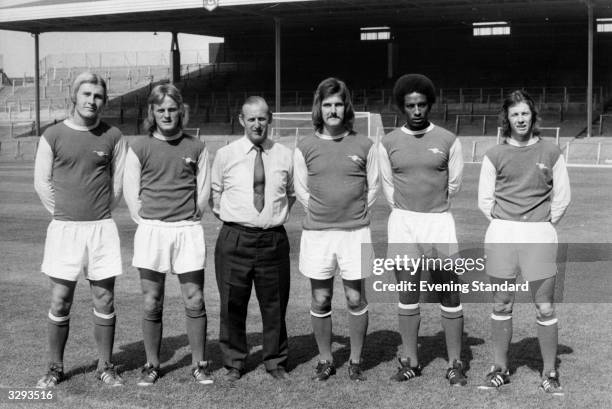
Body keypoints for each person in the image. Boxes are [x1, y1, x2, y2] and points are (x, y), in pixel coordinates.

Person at [34, 71, 127, 388]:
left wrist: (97, 214)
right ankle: (55, 367)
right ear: (74, 97)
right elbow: (42, 183)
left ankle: (105, 366)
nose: (92, 101)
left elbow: (117, 187)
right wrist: (63, 214)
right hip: (64, 229)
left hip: (101, 228)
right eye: (87, 94)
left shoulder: (114, 136)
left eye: (98, 96)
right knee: (60, 299)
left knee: (104, 299)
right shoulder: (52, 135)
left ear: (104, 100)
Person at [477, 90, 570, 395]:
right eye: (515, 114)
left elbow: (561, 199)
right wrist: (508, 223)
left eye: (525, 113)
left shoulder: (552, 152)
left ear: (533, 116)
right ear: (507, 118)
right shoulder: (494, 154)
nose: (520, 119)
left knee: (544, 307)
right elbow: (485, 201)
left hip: (539, 236)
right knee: (502, 303)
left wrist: (540, 225)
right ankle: (500, 369)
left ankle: (549, 371)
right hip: (502, 235)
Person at [378, 73, 467, 386]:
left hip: (439, 221)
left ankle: (455, 362)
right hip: (403, 221)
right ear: (402, 107)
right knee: (407, 292)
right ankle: (411, 361)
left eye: (421, 104)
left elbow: (453, 184)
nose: (416, 110)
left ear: (430, 105)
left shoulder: (447, 140)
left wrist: (432, 209)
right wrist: (408, 210)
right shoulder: (388, 142)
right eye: (410, 105)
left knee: (448, 290)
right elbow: (388, 186)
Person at [123, 84, 212, 386]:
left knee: (195, 298)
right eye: (160, 109)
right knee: (151, 300)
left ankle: (199, 364)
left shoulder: (196, 147)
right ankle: (152, 364)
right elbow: (131, 192)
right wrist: (148, 220)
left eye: (172, 109)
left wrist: (191, 214)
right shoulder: (138, 146)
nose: (166, 114)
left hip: (187, 230)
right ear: (152, 112)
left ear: (181, 111)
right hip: (153, 231)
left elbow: (203, 191)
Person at [294, 77, 379, 382]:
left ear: (346, 107)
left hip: (355, 232)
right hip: (318, 233)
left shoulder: (365, 145)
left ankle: (355, 360)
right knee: (320, 299)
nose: (333, 110)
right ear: (320, 108)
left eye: (338, 104)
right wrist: (321, 211)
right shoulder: (304, 146)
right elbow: (301, 189)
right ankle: (326, 359)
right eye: (327, 104)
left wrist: (354, 210)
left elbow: (373, 186)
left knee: (355, 298)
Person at [211, 96, 295, 382]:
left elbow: (292, 193)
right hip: (235, 238)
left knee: (274, 303)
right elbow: (216, 192)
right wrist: (236, 218)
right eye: (251, 119)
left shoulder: (285, 154)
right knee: (232, 302)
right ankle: (234, 361)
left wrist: (272, 216)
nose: (257, 124)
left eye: (262, 118)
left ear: (269, 119)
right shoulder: (226, 154)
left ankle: (275, 361)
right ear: (241, 121)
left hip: (273, 239)